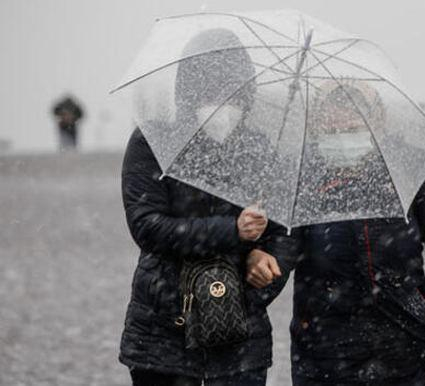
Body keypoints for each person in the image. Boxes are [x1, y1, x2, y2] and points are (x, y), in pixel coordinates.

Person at [248, 82, 425, 385]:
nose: (342, 138)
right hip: (321, 339)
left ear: (377, 120)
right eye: (333, 130)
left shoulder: (410, 165)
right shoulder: (302, 171)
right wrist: (263, 266)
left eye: (353, 127)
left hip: (399, 336)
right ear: (317, 124)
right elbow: (286, 241)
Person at [119, 28, 295, 386]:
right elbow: (147, 225)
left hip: (239, 330)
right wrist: (230, 231)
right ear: (188, 87)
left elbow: (286, 232)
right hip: (163, 328)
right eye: (209, 87)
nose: (221, 100)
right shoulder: (154, 141)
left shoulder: (263, 150)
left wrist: (263, 269)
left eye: (231, 87)